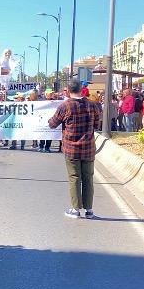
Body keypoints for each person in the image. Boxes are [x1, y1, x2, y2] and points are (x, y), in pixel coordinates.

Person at [48, 80, 102, 219]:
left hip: (71, 149)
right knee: (88, 178)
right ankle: (89, 210)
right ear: (81, 89)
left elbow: (53, 124)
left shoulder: (65, 106)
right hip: (88, 148)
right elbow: (97, 125)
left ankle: (75, 209)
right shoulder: (92, 105)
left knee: (74, 178)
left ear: (68, 90)